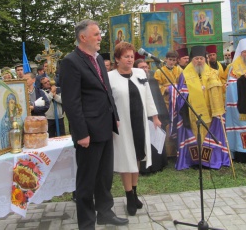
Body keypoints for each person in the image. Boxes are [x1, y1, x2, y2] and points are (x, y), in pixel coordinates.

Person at [60, 19, 128, 229]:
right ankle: (87, 223)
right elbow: (72, 102)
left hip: (105, 126)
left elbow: (106, 90)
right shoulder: (70, 62)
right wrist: (81, 133)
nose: (100, 38)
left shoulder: (98, 59)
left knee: (105, 176)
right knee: (87, 180)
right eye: (97, 34)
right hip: (88, 131)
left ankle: (105, 213)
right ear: (83, 37)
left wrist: (114, 116)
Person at [109, 42, 161, 216]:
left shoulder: (139, 73)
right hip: (122, 124)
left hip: (139, 121)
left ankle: (135, 192)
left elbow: (148, 96)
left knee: (138, 155)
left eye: (132, 56)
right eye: (126, 56)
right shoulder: (110, 77)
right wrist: (112, 119)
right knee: (126, 158)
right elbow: (107, 102)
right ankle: (129, 196)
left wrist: (154, 116)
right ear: (117, 59)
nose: (130, 59)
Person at [169, 46, 230, 170]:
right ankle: (194, 161)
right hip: (191, 112)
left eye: (201, 58)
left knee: (209, 134)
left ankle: (211, 160)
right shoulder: (184, 75)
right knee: (194, 134)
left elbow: (219, 91)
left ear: (205, 59)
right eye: (196, 58)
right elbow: (180, 92)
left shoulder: (212, 73)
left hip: (210, 111)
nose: (199, 61)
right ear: (192, 60)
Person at [134, 58, 168, 174]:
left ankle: (158, 165)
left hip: (155, 117)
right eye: (141, 67)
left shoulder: (152, 81)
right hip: (140, 117)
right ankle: (145, 168)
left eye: (146, 67)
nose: (145, 69)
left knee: (156, 142)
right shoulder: (133, 83)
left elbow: (158, 100)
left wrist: (161, 116)